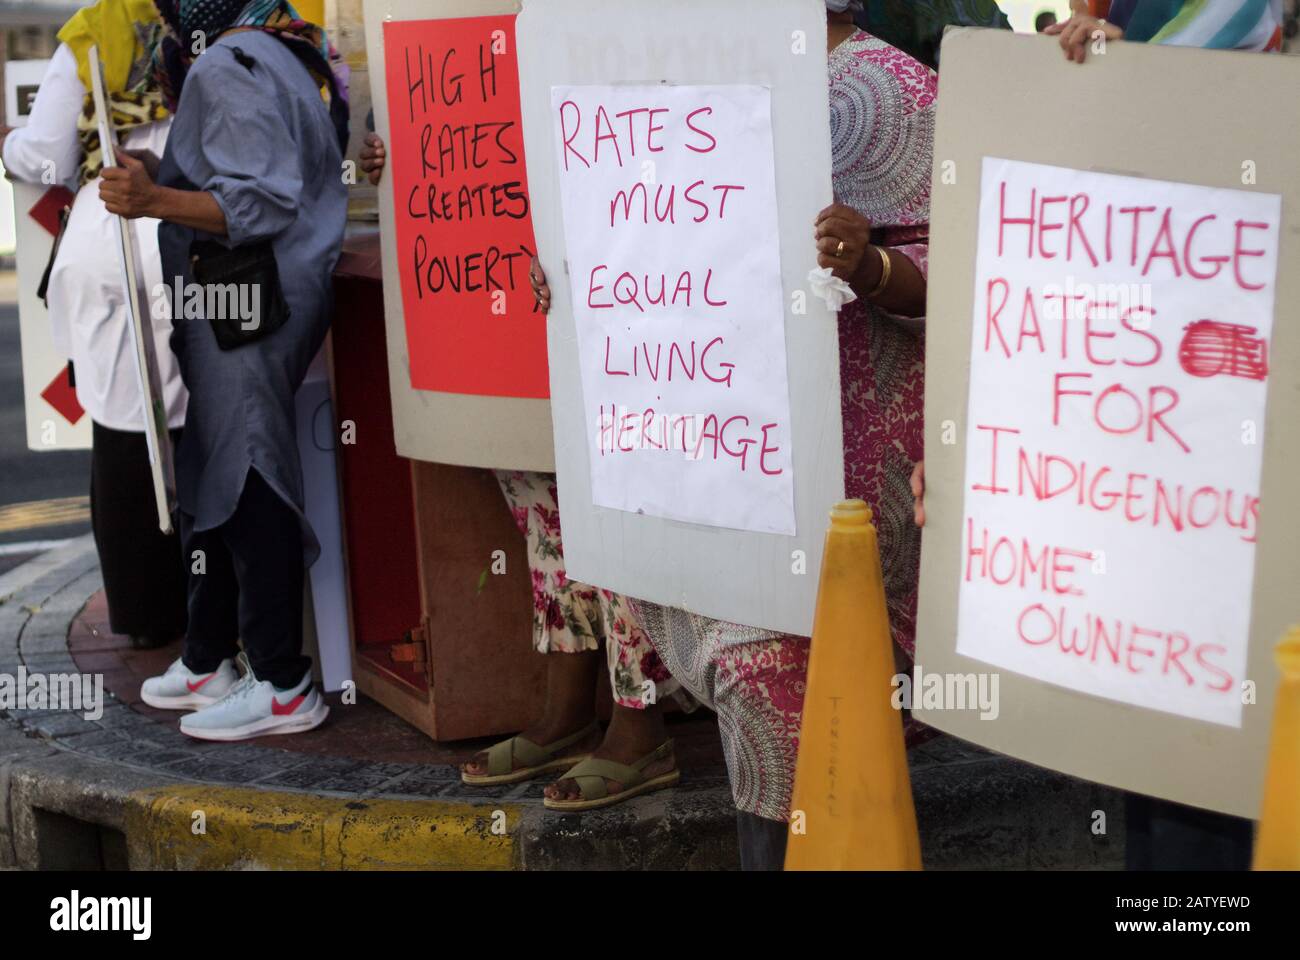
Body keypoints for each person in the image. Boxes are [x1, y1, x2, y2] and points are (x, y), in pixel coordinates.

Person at [529, 0, 934, 869]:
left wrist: (869, 267)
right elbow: (638, 238)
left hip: (843, 489)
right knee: (759, 699)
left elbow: (956, 281)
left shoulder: (894, 92)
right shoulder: (672, 77)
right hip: (710, 471)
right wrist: (571, 274)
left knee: (790, 699)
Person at [358, 137, 684, 811]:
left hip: (619, 267)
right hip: (509, 287)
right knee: (545, 506)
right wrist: (400, 151)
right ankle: (566, 712)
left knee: (622, 505)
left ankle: (639, 725)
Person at [107, 0, 350, 741]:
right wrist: (164, 174)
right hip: (240, 298)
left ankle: (282, 683)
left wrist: (153, 199)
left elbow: (262, 201)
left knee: (249, 475)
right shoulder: (279, 50)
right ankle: (210, 656)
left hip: (248, 300)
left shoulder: (226, 62)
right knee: (215, 465)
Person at [0, 0, 189, 651]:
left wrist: (9, 145)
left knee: (121, 428)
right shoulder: (231, 21)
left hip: (109, 244)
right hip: (200, 234)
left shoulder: (95, 30)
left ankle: (147, 610)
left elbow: (45, 154)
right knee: (198, 425)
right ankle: (213, 601)